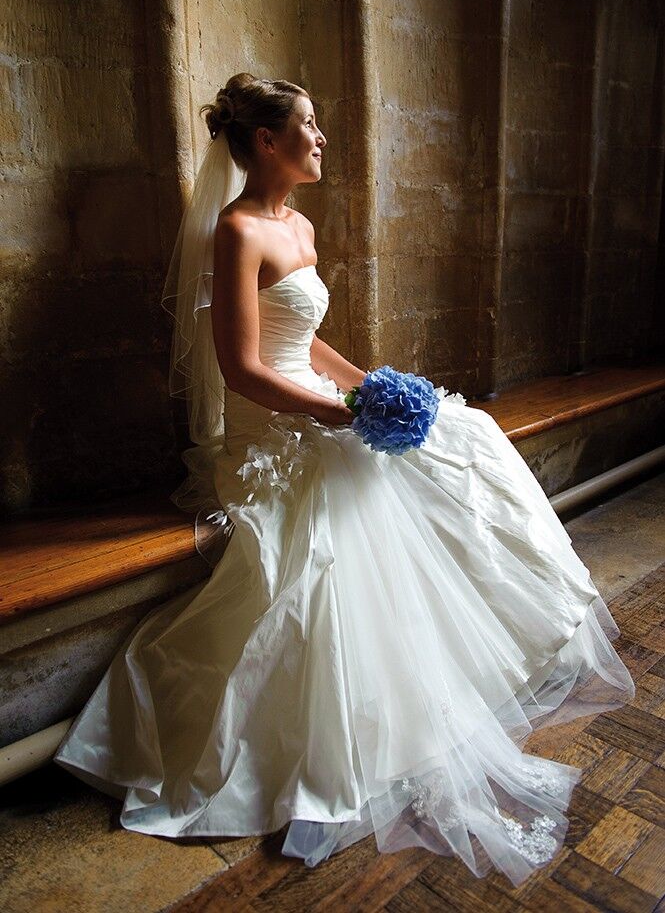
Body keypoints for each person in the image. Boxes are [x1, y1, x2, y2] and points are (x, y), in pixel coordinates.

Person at [54, 72, 635, 886]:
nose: (321, 140)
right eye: (309, 127)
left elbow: (313, 343)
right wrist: (340, 418)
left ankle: (497, 645)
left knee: (462, 434)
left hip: (321, 405)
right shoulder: (237, 231)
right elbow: (244, 370)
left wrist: (375, 387)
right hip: (272, 434)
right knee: (341, 530)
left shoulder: (301, 224)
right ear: (266, 142)